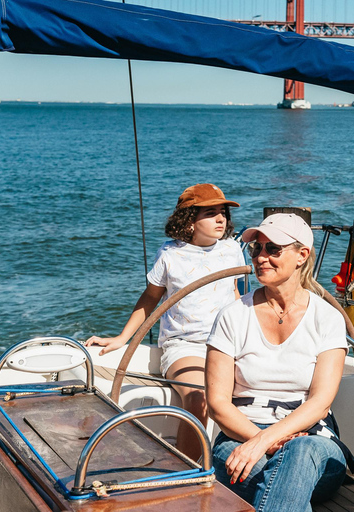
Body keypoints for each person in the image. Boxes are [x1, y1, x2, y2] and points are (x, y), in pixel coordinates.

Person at [206, 213, 354, 511]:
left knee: (299, 453)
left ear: (302, 255)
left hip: (312, 439)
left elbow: (319, 403)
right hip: (240, 436)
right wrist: (260, 440)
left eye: (272, 249)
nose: (261, 257)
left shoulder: (326, 318)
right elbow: (218, 404)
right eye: (256, 249)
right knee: (284, 482)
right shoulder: (232, 315)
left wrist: (267, 441)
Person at [86, 183, 245, 461]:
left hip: (228, 343)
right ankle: (188, 473)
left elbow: (235, 296)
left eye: (223, 213)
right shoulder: (170, 254)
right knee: (198, 398)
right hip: (184, 346)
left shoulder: (232, 250)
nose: (221, 219)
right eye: (211, 213)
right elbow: (150, 298)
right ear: (189, 221)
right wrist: (122, 339)